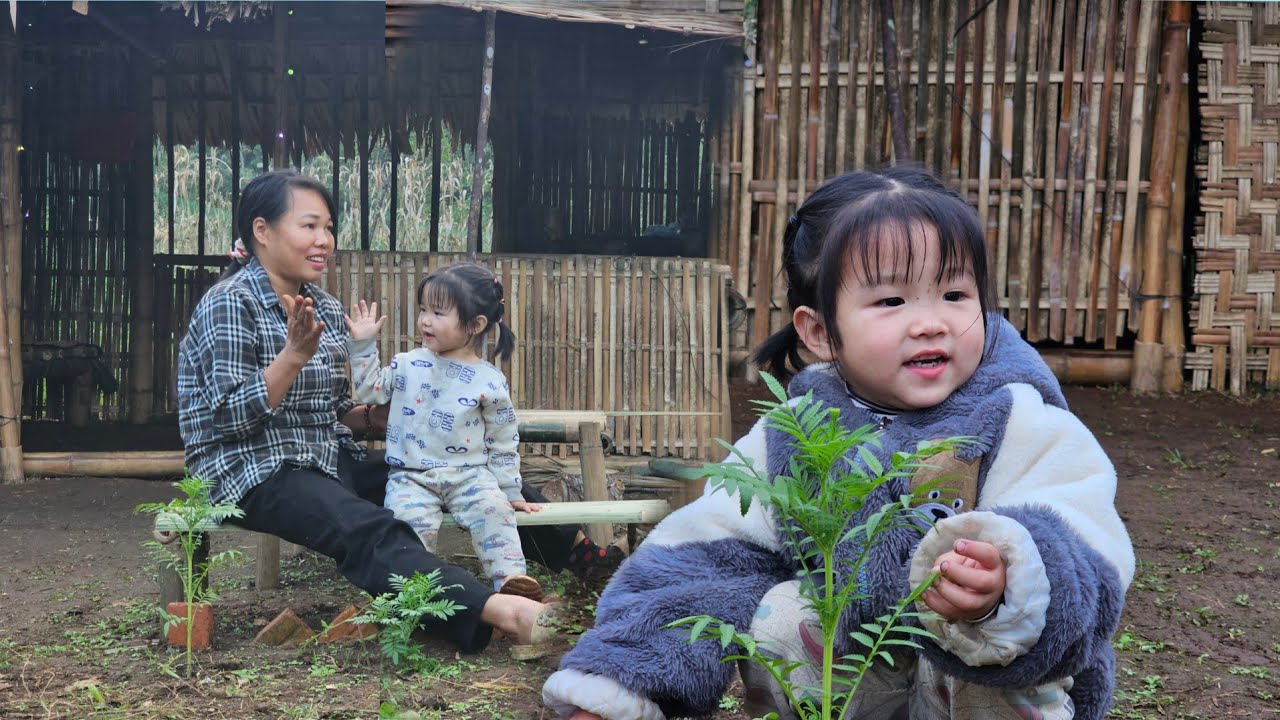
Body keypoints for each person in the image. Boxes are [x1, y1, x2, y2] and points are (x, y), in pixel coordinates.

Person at [542, 167, 1134, 719]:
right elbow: (699, 561)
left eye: (955, 294)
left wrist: (1008, 587)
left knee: (994, 649)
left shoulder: (1020, 421)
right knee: (782, 616)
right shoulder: (794, 434)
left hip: (978, 681)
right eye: (891, 301)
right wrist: (618, 684)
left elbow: (1088, 546)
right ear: (820, 331)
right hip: (856, 682)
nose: (931, 321)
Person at [177, 169, 564, 653]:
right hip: (251, 470)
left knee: (467, 468)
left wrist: (379, 419)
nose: (324, 240)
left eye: (328, 228)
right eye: (310, 226)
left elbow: (332, 408)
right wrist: (292, 356)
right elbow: (228, 419)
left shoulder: (320, 304)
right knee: (362, 527)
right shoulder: (231, 304)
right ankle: (503, 612)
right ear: (262, 231)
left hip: (323, 456)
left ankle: (585, 556)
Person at [345, 262, 543, 601]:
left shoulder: (489, 380)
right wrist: (363, 346)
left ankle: (512, 586)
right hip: (411, 477)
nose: (425, 320)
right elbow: (370, 393)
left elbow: (502, 440)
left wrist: (510, 491)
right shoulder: (407, 363)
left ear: (475, 324)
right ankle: (410, 600)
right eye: (423, 309)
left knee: (495, 512)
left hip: (471, 477)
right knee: (406, 530)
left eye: (438, 312)